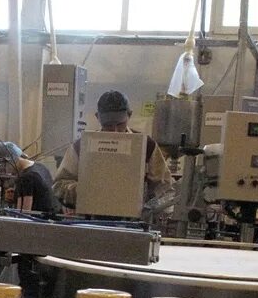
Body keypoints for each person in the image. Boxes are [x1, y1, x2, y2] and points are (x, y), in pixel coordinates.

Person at [52, 89, 174, 217]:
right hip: (90, 221)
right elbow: (59, 185)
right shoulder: (82, 146)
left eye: (120, 124)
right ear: (97, 117)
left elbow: (164, 188)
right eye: (108, 125)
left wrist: (149, 208)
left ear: (129, 115)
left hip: (134, 223)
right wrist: (84, 190)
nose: (114, 130)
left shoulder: (146, 146)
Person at [0, 141, 60, 215]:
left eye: (2, 166)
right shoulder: (40, 166)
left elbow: (23, 215)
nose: (4, 170)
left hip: (41, 223)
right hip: (55, 218)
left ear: (9, 160)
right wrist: (17, 194)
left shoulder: (26, 177)